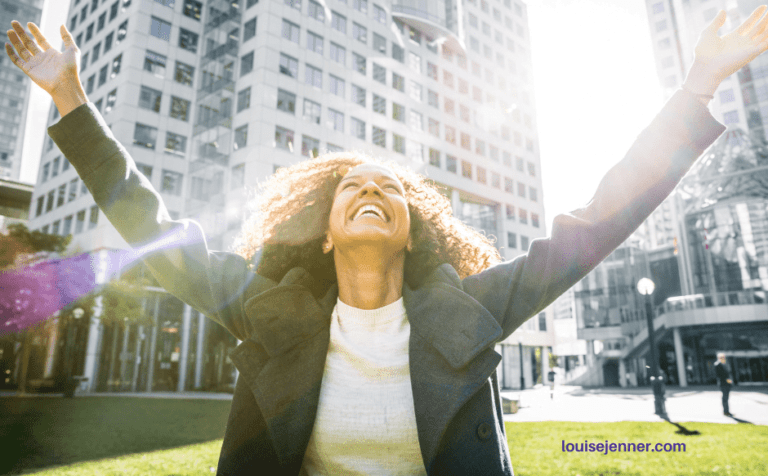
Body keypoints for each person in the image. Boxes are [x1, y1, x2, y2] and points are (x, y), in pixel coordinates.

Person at [6, 7, 768, 475]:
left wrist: (696, 88)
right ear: (326, 234)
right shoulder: (263, 307)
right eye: (353, 187)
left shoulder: (475, 307)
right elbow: (152, 224)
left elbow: (603, 217)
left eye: (390, 187)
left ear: (412, 231)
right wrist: (69, 97)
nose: (372, 189)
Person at [714, 352, 733, 416]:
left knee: (727, 397)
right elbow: (719, 375)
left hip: (727, 384)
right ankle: (725, 411)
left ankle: (727, 411)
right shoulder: (717, 365)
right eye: (721, 357)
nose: (723, 359)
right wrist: (726, 379)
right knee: (724, 398)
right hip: (723, 383)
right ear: (719, 358)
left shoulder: (725, 364)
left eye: (724, 357)